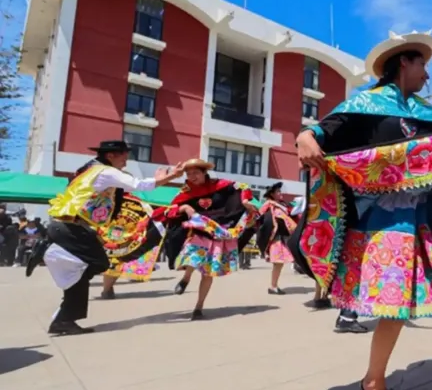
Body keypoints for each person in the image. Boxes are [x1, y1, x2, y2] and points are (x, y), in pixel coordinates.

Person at [291, 30, 432, 390]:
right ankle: (374, 383)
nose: (427, 74)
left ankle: (373, 381)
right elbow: (323, 130)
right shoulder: (366, 104)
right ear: (404, 61)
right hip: (380, 219)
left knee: (397, 305)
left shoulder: (424, 113)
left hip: (419, 219)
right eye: (423, 64)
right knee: (394, 303)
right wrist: (304, 135)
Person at [41, 140, 182, 335]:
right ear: (110, 156)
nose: (126, 161)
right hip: (72, 228)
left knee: (80, 276)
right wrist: (169, 177)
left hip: (68, 227)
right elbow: (139, 184)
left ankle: (64, 319)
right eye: (124, 156)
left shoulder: (90, 171)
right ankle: (49, 256)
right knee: (98, 264)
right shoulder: (106, 171)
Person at [163, 159, 258, 320]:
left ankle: (198, 307)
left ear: (204, 173)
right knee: (192, 258)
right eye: (189, 174)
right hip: (199, 230)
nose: (192, 177)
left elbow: (242, 186)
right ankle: (186, 278)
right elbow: (169, 210)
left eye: (196, 173)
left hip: (220, 231)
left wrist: (245, 200)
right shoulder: (185, 192)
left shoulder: (220, 185)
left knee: (207, 273)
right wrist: (184, 208)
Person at [258, 182, 295, 295]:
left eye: (280, 191)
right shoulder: (269, 204)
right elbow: (259, 216)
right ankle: (273, 286)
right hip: (275, 238)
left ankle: (274, 285)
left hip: (281, 237)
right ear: (272, 194)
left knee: (279, 263)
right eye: (278, 191)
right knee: (278, 263)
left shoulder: (281, 205)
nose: (280, 193)